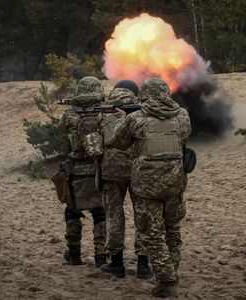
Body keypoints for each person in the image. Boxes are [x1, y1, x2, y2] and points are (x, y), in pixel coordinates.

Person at [107, 77, 191, 298]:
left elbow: (119, 141)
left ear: (145, 95)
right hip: (175, 183)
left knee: (152, 235)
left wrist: (122, 120)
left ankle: (166, 280)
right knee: (172, 231)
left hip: (147, 187)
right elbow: (184, 136)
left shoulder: (135, 118)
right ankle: (171, 271)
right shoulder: (182, 115)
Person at [98, 80, 153, 279]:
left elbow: (94, 144)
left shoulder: (102, 112)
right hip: (139, 170)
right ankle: (143, 265)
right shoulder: (143, 113)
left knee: (114, 215)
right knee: (143, 215)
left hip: (111, 171)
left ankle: (117, 263)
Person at [57, 76, 107, 267]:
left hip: (76, 170)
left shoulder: (70, 114)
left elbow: (61, 129)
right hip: (98, 169)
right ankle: (101, 256)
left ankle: (74, 254)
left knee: (72, 212)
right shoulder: (104, 112)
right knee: (100, 213)